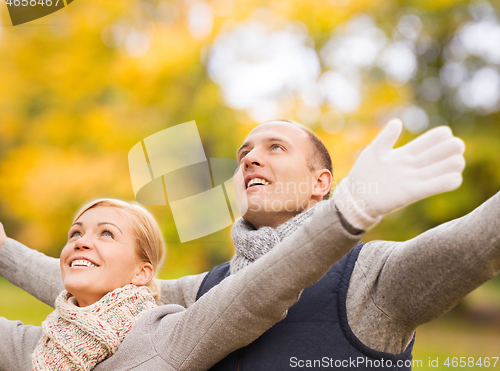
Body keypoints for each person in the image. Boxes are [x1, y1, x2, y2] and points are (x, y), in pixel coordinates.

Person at [2, 119, 499, 370]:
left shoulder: (373, 277)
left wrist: (354, 207)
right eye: (244, 155)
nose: (251, 159)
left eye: (275, 148)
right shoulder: (204, 291)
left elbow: (477, 242)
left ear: (320, 182)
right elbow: (99, 282)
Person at [0, 196, 364, 370]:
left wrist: (346, 217)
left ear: (142, 273)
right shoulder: (36, 346)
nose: (81, 241)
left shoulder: (164, 336)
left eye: (106, 234)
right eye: (75, 233)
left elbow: (254, 293)